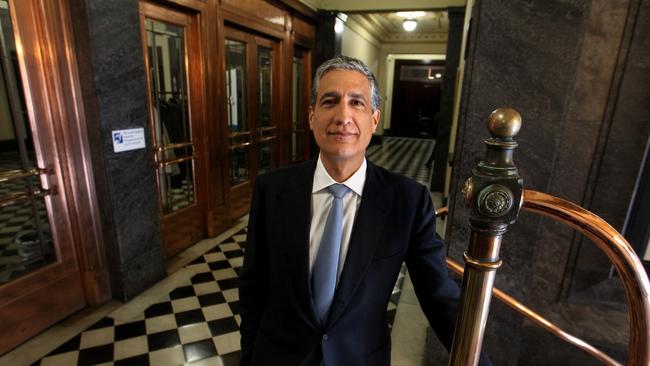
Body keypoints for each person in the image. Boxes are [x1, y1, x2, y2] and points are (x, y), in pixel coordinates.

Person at [239, 55, 490, 366]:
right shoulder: (272, 190)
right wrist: (249, 355)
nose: (343, 116)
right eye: (330, 101)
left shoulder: (407, 201)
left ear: (374, 119)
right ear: (311, 116)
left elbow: (439, 296)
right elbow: (254, 284)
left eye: (356, 103)